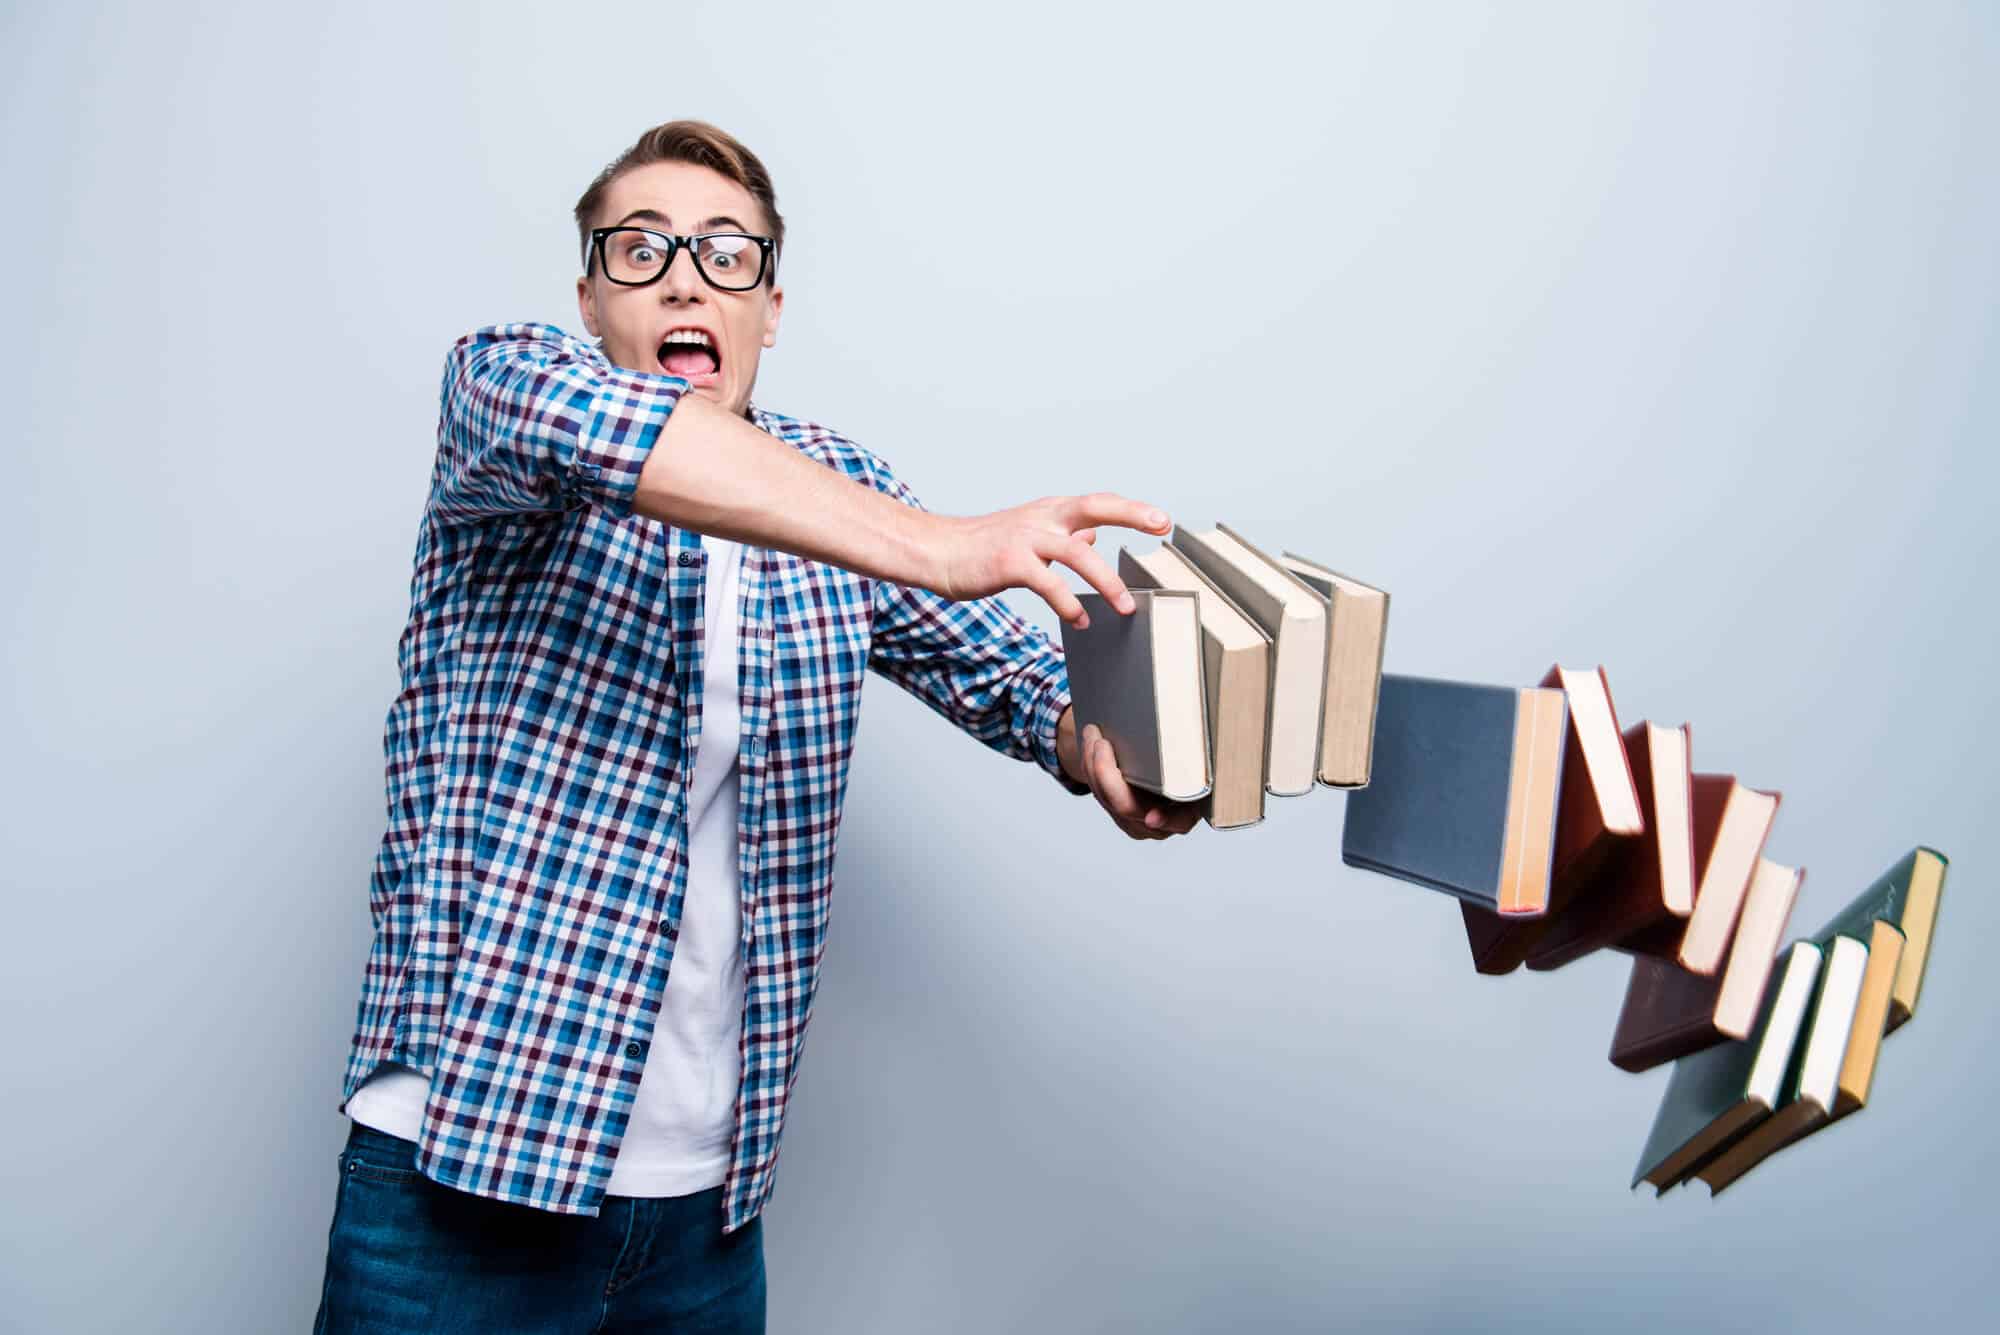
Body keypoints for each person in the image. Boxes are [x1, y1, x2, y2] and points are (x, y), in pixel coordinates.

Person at [314, 119, 1202, 1334]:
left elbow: (1014, 684)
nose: (683, 275)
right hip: (465, 1184)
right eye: (639, 250)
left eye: (727, 253)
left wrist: (1114, 751)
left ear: (769, 307)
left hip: (704, 1218)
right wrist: (947, 546)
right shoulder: (504, 395)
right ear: (587, 293)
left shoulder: (837, 488)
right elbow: (605, 434)